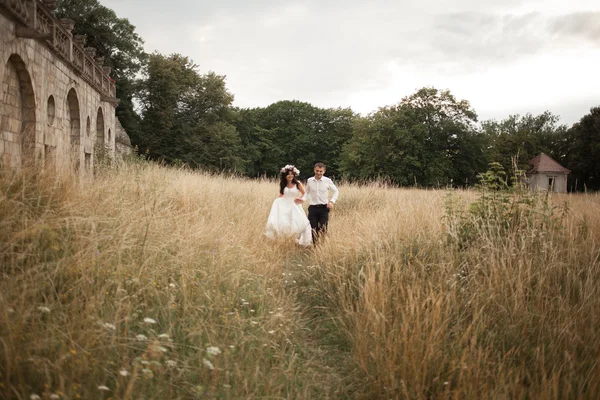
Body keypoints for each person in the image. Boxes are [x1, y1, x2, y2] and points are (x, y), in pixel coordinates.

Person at [264, 164, 312, 247]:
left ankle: (304, 242)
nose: (290, 176)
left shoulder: (297, 183)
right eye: (288, 174)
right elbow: (281, 195)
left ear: (294, 174)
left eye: (291, 174)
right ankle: (286, 240)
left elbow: (304, 193)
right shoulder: (283, 184)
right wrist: (277, 202)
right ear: (285, 175)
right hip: (285, 205)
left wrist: (300, 199)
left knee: (303, 223)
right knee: (285, 223)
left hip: (294, 205)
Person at [302, 162, 339, 243]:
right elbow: (307, 192)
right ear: (314, 170)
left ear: (324, 171)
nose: (318, 173)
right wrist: (302, 200)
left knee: (323, 229)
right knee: (313, 229)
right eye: (317, 171)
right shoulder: (310, 180)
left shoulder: (327, 181)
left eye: (320, 171)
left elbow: (335, 191)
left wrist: (332, 201)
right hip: (313, 208)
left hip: (324, 208)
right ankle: (315, 246)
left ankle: (321, 247)